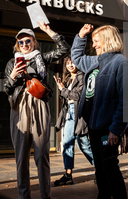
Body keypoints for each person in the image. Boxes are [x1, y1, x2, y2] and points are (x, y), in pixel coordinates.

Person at [3, 22, 70, 199]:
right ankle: (23, 196)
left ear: (34, 41)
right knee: (21, 157)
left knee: (42, 155)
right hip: (19, 106)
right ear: (17, 45)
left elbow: (63, 48)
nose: (25, 45)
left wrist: (48, 31)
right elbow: (7, 89)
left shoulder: (42, 58)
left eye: (28, 41)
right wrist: (12, 76)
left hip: (39, 104)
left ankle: (45, 196)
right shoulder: (12, 63)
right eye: (21, 42)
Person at [71, 24, 128, 199]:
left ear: (107, 40)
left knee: (110, 167)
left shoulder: (121, 63)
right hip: (93, 125)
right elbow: (76, 58)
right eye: (92, 42)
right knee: (99, 168)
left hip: (108, 128)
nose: (94, 45)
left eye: (96, 41)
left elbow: (126, 100)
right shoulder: (95, 61)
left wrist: (116, 129)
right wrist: (81, 35)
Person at [54, 54, 94, 186]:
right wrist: (61, 88)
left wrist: (63, 89)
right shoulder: (68, 79)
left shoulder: (82, 76)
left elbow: (77, 95)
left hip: (79, 113)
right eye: (68, 63)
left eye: (73, 63)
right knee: (67, 144)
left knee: (84, 144)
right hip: (69, 113)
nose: (70, 65)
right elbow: (66, 97)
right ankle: (68, 174)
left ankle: (101, 168)